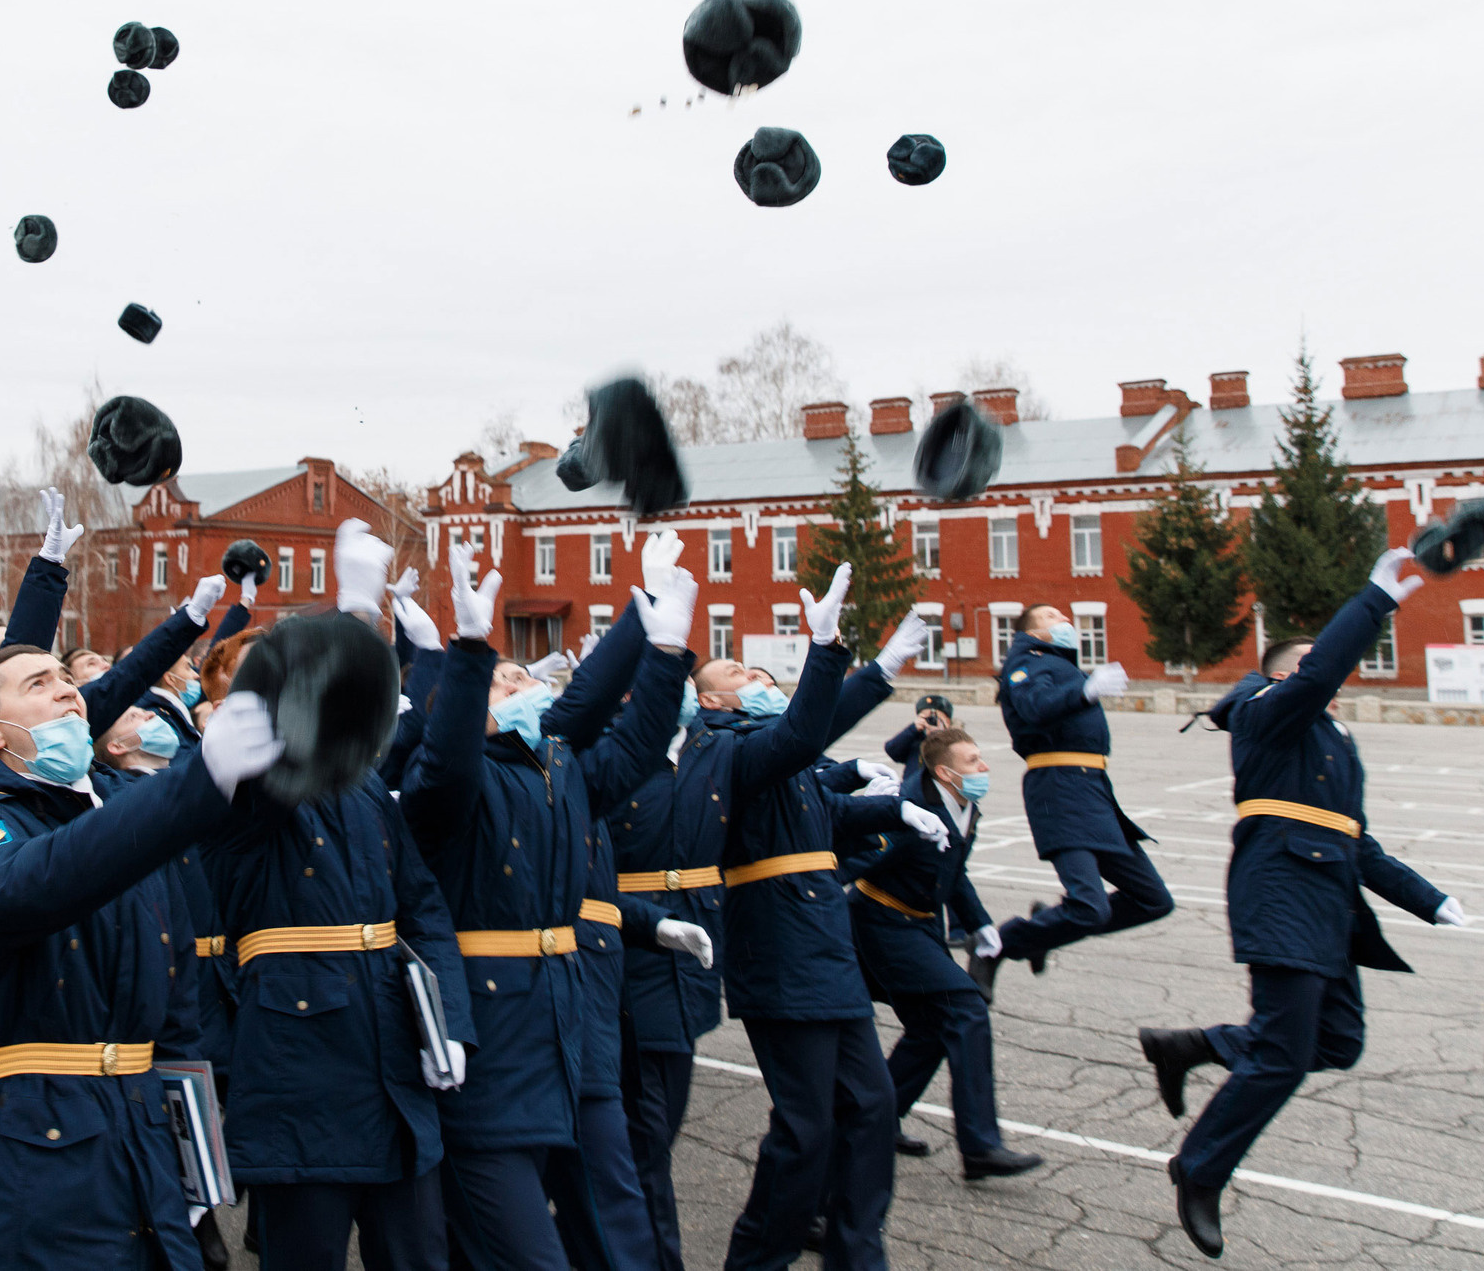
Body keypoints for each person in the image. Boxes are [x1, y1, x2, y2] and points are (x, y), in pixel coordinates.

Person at [1139, 548, 1464, 1259]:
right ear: (1289, 674)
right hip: (1282, 892)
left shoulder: (1336, 742)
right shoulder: (1266, 713)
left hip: (1330, 905)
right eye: (1320, 669)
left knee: (1338, 1041)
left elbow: (1359, 843)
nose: (1335, 681)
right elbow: (1319, 674)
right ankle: (1198, 1168)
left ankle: (1197, 1045)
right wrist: (1375, 600)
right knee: (1283, 1055)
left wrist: (1431, 900)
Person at [0, 642, 284, 1271]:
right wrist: (197, 779)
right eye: (38, 684)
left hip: (143, 1130)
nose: (67, 688)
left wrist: (190, 1151)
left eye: (66, 678)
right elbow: (35, 883)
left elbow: (173, 994)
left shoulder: (117, 812)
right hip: (35, 1147)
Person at [398, 543, 685, 1271]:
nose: (519, 681)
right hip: (489, 1042)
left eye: (522, 675)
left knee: (606, 1213)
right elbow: (448, 762)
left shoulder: (557, 769)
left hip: (566, 1025)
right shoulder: (447, 781)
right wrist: (469, 651)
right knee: (524, 1251)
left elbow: (635, 741)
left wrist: (663, 649)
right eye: (502, 680)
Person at [198, 522, 469, 1271]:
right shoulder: (235, 786)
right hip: (301, 1071)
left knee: (419, 1256)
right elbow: (283, 760)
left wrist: (450, 1021)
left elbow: (423, 912)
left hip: (393, 1060)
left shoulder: (364, 789)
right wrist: (352, 615)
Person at [712, 573, 939, 1271]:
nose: (756, 676)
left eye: (758, 670)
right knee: (805, 1129)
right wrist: (832, 650)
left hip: (825, 949)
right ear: (710, 700)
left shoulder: (785, 755)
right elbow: (805, 733)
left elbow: (829, 805)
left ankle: (856, 1253)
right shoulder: (726, 747)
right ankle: (757, 1259)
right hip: (780, 951)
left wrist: (896, 808)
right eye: (737, 673)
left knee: (871, 1108)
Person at [845, 726, 1040, 1178]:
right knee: (966, 1009)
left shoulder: (965, 805)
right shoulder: (910, 810)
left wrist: (979, 923)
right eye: (973, 762)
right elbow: (854, 860)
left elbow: (954, 870)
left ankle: (874, 1121)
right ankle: (980, 1147)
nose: (984, 767)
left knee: (931, 1027)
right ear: (945, 773)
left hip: (920, 924)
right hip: (882, 923)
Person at [975, 605, 1172, 991]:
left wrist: (1084, 687)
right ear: (1031, 631)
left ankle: (1045, 928)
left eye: (1064, 616)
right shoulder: (1025, 663)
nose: (1065, 620)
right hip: (1059, 789)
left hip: (1093, 789)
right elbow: (1034, 707)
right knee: (1089, 907)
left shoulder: (1060, 665)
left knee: (1153, 900)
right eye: (1052, 616)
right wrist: (1085, 690)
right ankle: (996, 946)